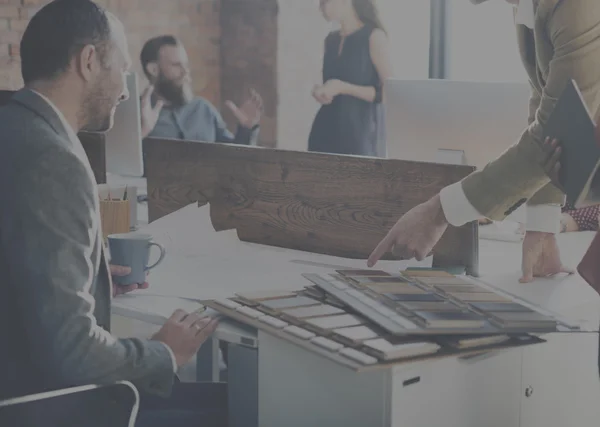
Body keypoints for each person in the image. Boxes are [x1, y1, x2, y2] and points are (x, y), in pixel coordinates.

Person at [0, 1, 222, 425]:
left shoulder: (11, 128)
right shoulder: (54, 160)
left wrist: (91, 279)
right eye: (120, 68)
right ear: (87, 61)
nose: (124, 90)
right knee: (244, 408)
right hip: (39, 405)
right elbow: (72, 354)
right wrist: (164, 353)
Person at [368, 0, 600, 284]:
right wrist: (542, 225)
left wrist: (438, 212)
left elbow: (553, 130)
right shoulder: (526, 8)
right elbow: (548, 109)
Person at [139, 35, 263, 145]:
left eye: (186, 65)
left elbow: (234, 159)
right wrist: (142, 131)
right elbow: (123, 163)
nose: (185, 72)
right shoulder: (136, 114)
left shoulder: (203, 109)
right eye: (176, 65)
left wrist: (246, 130)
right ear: (154, 69)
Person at [307, 0, 392, 157]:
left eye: (324, 2)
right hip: (324, 134)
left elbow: (390, 94)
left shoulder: (374, 37)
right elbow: (331, 85)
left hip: (360, 138)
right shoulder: (330, 40)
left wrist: (343, 87)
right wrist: (321, 92)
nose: (321, 8)